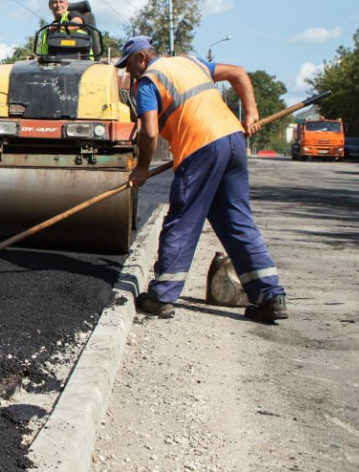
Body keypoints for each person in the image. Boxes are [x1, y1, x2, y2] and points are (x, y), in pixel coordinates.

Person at [117, 36, 287, 322]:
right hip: (232, 142)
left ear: (141, 58)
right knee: (236, 220)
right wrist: (251, 114)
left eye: (129, 65)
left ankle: (162, 296)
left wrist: (142, 169)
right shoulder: (190, 62)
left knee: (183, 219)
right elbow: (238, 73)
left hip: (200, 149)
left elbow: (149, 133)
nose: (128, 73)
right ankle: (270, 295)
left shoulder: (148, 82)